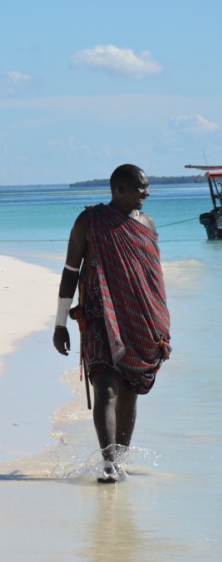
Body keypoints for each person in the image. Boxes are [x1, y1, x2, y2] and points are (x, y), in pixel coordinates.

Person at [52, 164, 171, 483]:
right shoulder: (89, 221)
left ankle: (119, 460)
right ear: (119, 188)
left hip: (140, 322)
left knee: (130, 392)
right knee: (104, 388)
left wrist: (160, 324)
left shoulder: (147, 224)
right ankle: (108, 464)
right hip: (98, 317)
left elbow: (152, 280)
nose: (147, 193)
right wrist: (60, 323)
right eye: (141, 187)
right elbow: (69, 272)